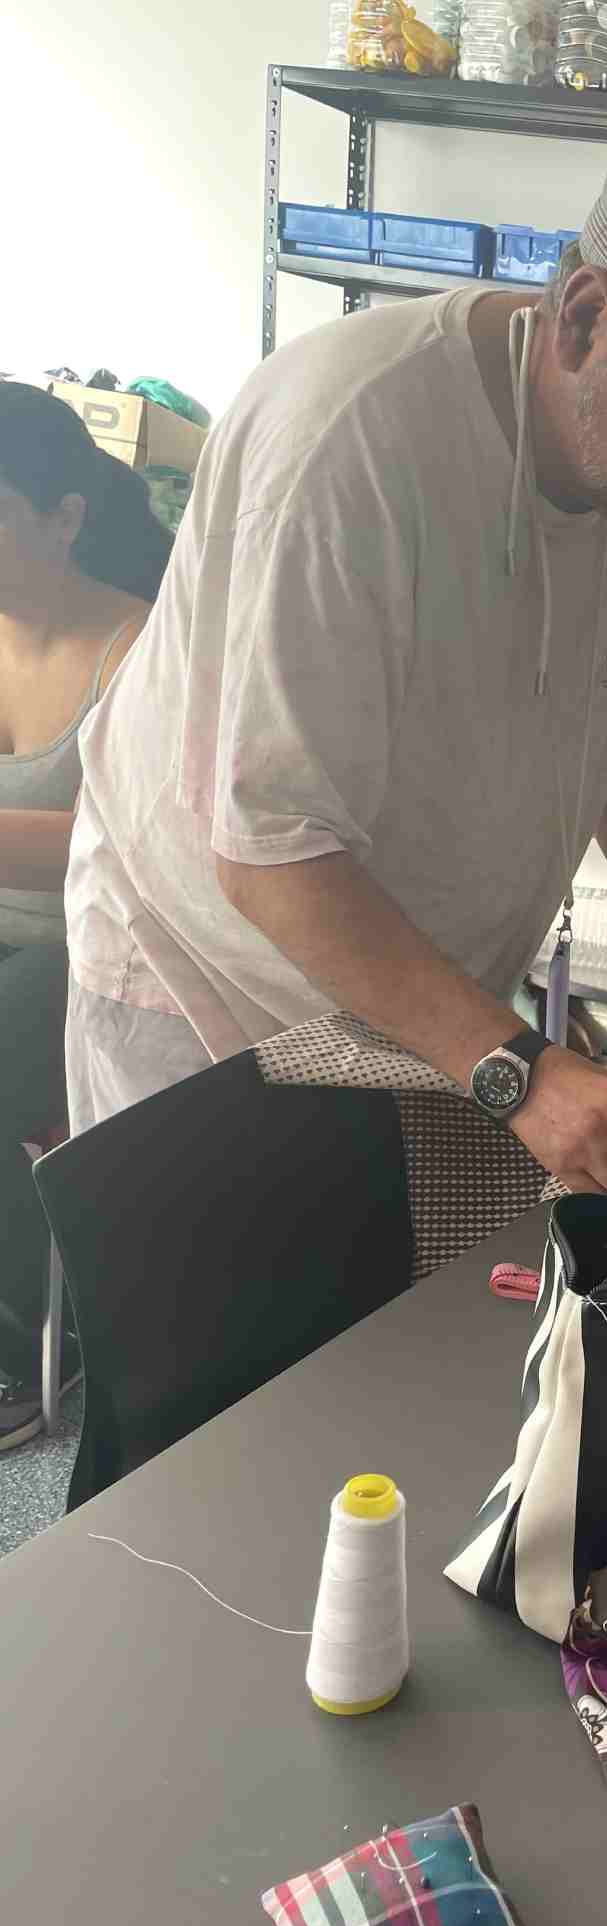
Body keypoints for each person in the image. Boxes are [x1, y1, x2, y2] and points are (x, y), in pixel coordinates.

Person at [65, 126, 607, 1198]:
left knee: (395, 1352)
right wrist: (519, 1070)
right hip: (206, 992)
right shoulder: (351, 447)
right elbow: (268, 849)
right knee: (232, 1360)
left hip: (415, 1010)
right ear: (582, 320)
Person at [0, 382, 172, 1447]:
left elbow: (118, 840)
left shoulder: (138, 648)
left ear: (63, 518)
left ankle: (18, 1352)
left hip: (94, 941)